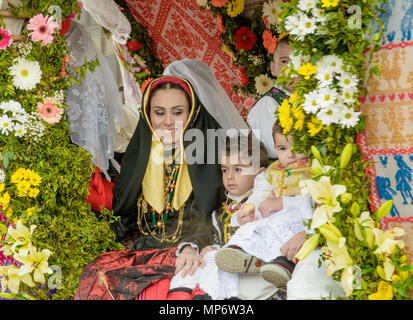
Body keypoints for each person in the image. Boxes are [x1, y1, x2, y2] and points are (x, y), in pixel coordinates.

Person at [76, 59, 248, 300]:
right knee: (96, 279)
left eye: (178, 112)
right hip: (145, 249)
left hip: (191, 252)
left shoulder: (211, 153)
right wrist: (94, 239)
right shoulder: (140, 155)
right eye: (159, 112)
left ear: (191, 113)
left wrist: (192, 246)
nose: (168, 121)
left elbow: (212, 214)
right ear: (147, 115)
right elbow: (124, 213)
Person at [211, 120, 313, 291]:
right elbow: (260, 193)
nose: (291, 154)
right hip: (272, 216)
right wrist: (250, 207)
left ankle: (283, 265)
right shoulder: (271, 172)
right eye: (282, 149)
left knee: (284, 232)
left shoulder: (311, 170)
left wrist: (282, 202)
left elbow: (311, 199)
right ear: (275, 147)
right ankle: (243, 252)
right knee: (253, 228)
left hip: (298, 216)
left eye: (298, 147)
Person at [247, 36, 294, 160]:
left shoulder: (315, 97)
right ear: (273, 68)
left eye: (300, 61)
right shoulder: (268, 104)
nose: (292, 69)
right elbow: (276, 154)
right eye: (285, 62)